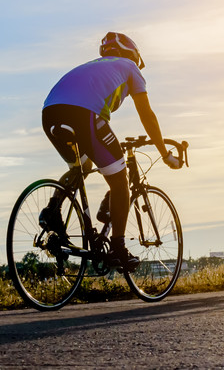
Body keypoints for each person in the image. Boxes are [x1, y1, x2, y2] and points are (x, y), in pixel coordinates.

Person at [39, 31, 181, 271]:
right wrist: (164, 153)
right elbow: (146, 114)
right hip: (84, 115)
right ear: (133, 55)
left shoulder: (92, 66)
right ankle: (118, 249)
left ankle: (52, 210)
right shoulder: (129, 67)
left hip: (50, 112)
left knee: (81, 168)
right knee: (119, 182)